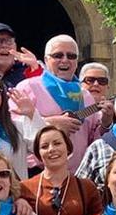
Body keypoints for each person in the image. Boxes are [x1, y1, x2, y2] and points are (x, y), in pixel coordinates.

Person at [15, 35, 102, 163]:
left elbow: (93, 137)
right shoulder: (27, 87)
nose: (65, 60)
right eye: (58, 55)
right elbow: (10, 127)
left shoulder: (86, 96)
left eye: (71, 56)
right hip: (37, 174)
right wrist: (48, 123)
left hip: (76, 176)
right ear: (46, 59)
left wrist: (106, 123)